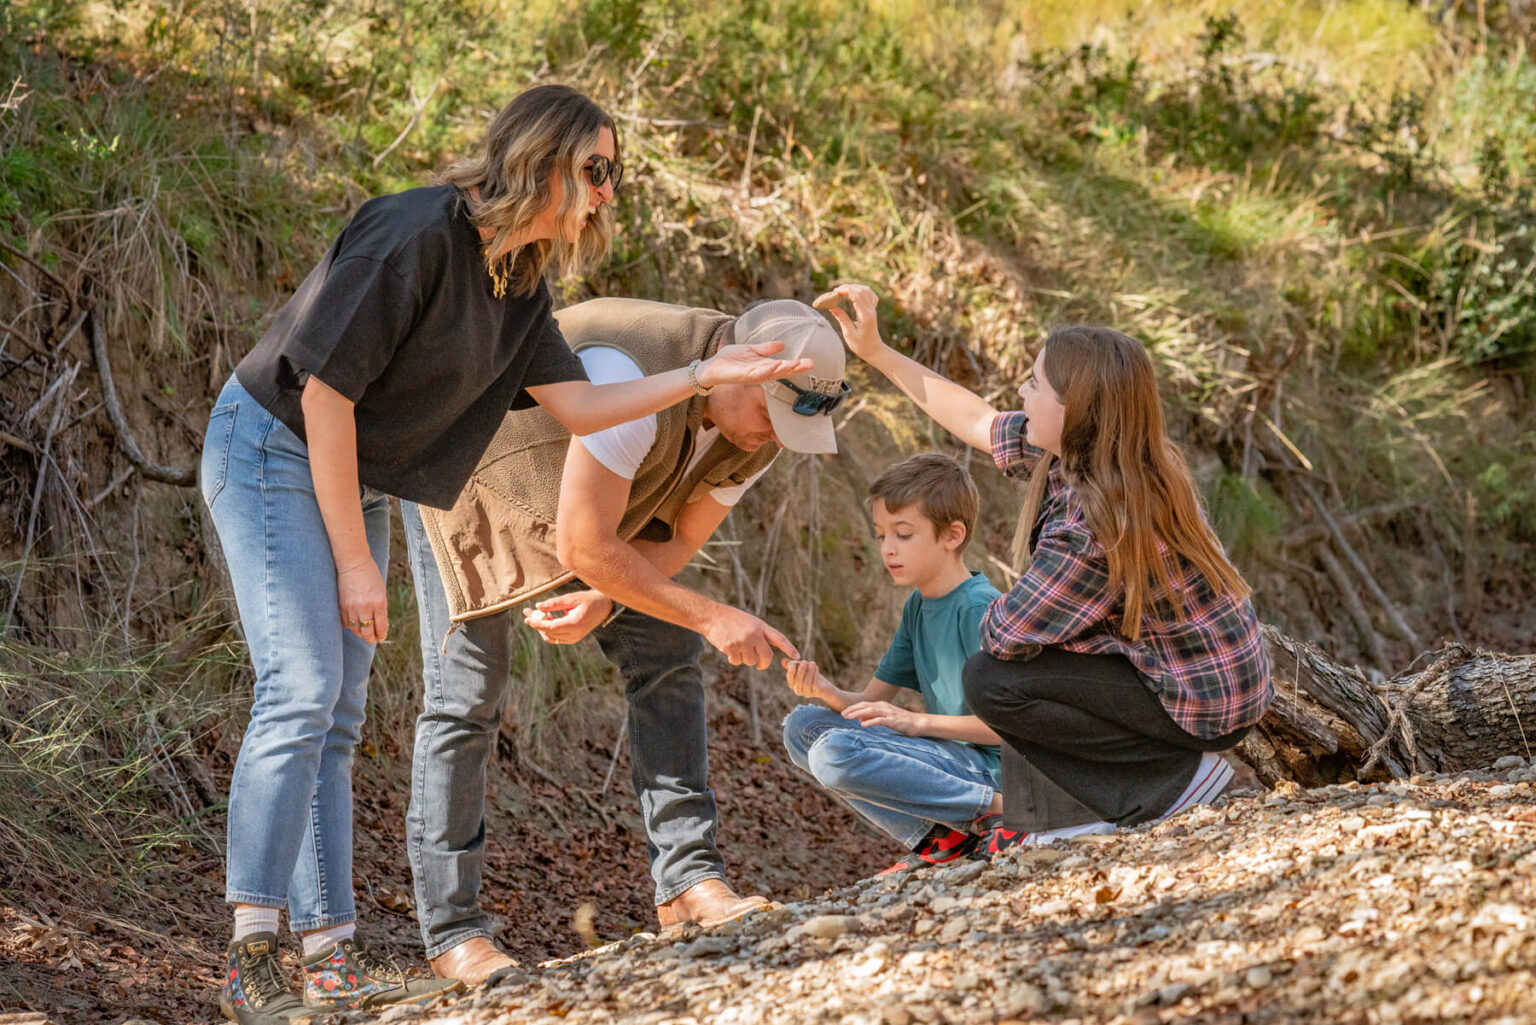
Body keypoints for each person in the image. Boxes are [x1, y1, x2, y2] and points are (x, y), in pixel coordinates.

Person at [200, 85, 810, 1024]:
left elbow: (576, 404)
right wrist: (359, 565)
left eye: (617, 174)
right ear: (543, 158)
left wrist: (701, 373)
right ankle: (253, 951)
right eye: (597, 169)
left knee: (339, 705)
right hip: (271, 443)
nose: (609, 192)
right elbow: (322, 394)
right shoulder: (412, 234)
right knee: (301, 685)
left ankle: (325, 961)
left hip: (354, 470)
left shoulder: (518, 280)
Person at [404, 296, 851, 987]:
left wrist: (607, 596)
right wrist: (710, 614)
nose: (775, 435)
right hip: (472, 473)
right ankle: (454, 930)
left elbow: (671, 539)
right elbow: (586, 541)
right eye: (771, 414)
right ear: (740, 371)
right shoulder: (630, 373)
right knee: (467, 693)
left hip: (594, 512)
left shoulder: (762, 429)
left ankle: (689, 882)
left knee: (667, 648)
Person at [817, 283, 1272, 860]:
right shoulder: (1103, 457)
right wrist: (877, 352)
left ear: (1074, 409)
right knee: (1027, 666)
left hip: (1199, 704)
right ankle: (1106, 798)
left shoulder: (1095, 522)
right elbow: (977, 421)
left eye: (1035, 385)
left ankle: (1161, 785)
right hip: (1210, 683)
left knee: (995, 680)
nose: (1021, 393)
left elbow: (1003, 634)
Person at [780, 452, 1010, 875]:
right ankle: (942, 838)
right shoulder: (920, 606)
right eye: (881, 534)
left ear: (952, 535)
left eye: (903, 534)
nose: (887, 549)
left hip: (994, 769)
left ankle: (1003, 812)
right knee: (803, 727)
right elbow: (870, 703)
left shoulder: (979, 607)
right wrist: (826, 692)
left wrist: (916, 722)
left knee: (832, 755)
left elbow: (1008, 726)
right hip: (949, 758)